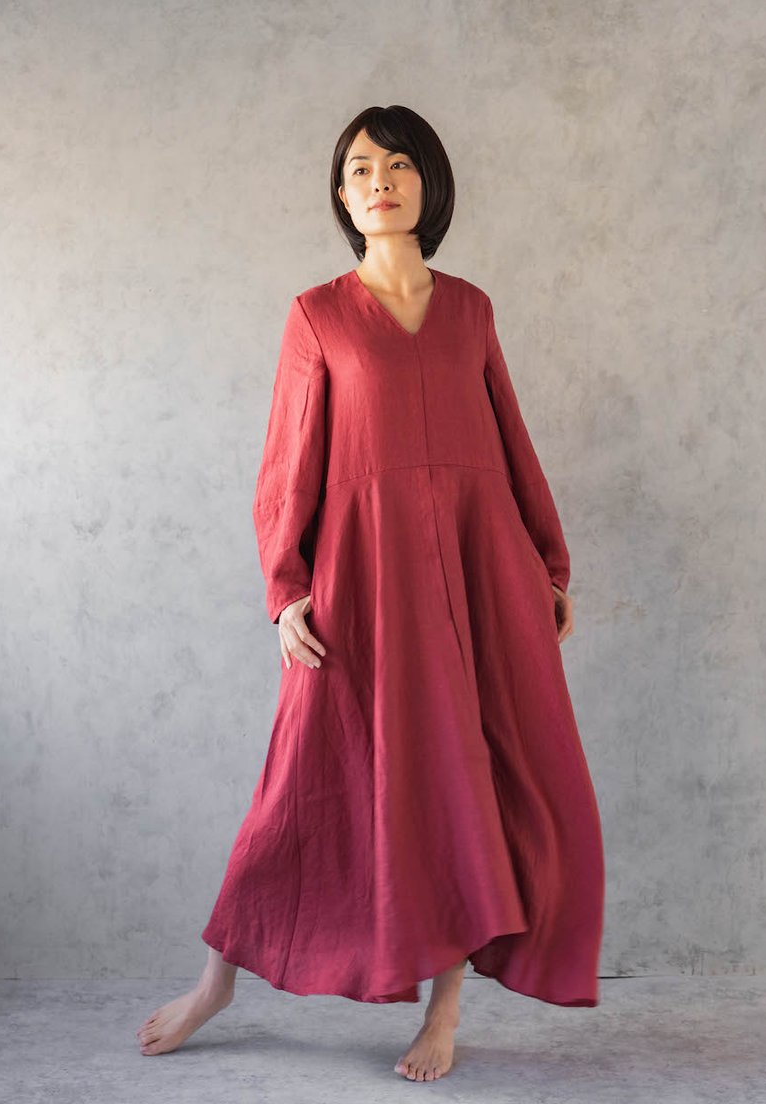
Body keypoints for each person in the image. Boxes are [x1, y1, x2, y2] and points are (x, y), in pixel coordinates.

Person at [136, 104, 604, 1082]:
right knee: (297, 785)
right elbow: (287, 466)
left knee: (465, 783)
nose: (379, 180)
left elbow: (511, 443)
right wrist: (285, 591)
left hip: (479, 576)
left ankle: (445, 1009)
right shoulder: (317, 315)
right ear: (342, 195)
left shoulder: (471, 310)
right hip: (361, 580)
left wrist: (546, 564)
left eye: (397, 164)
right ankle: (217, 982)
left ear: (429, 181)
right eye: (359, 168)